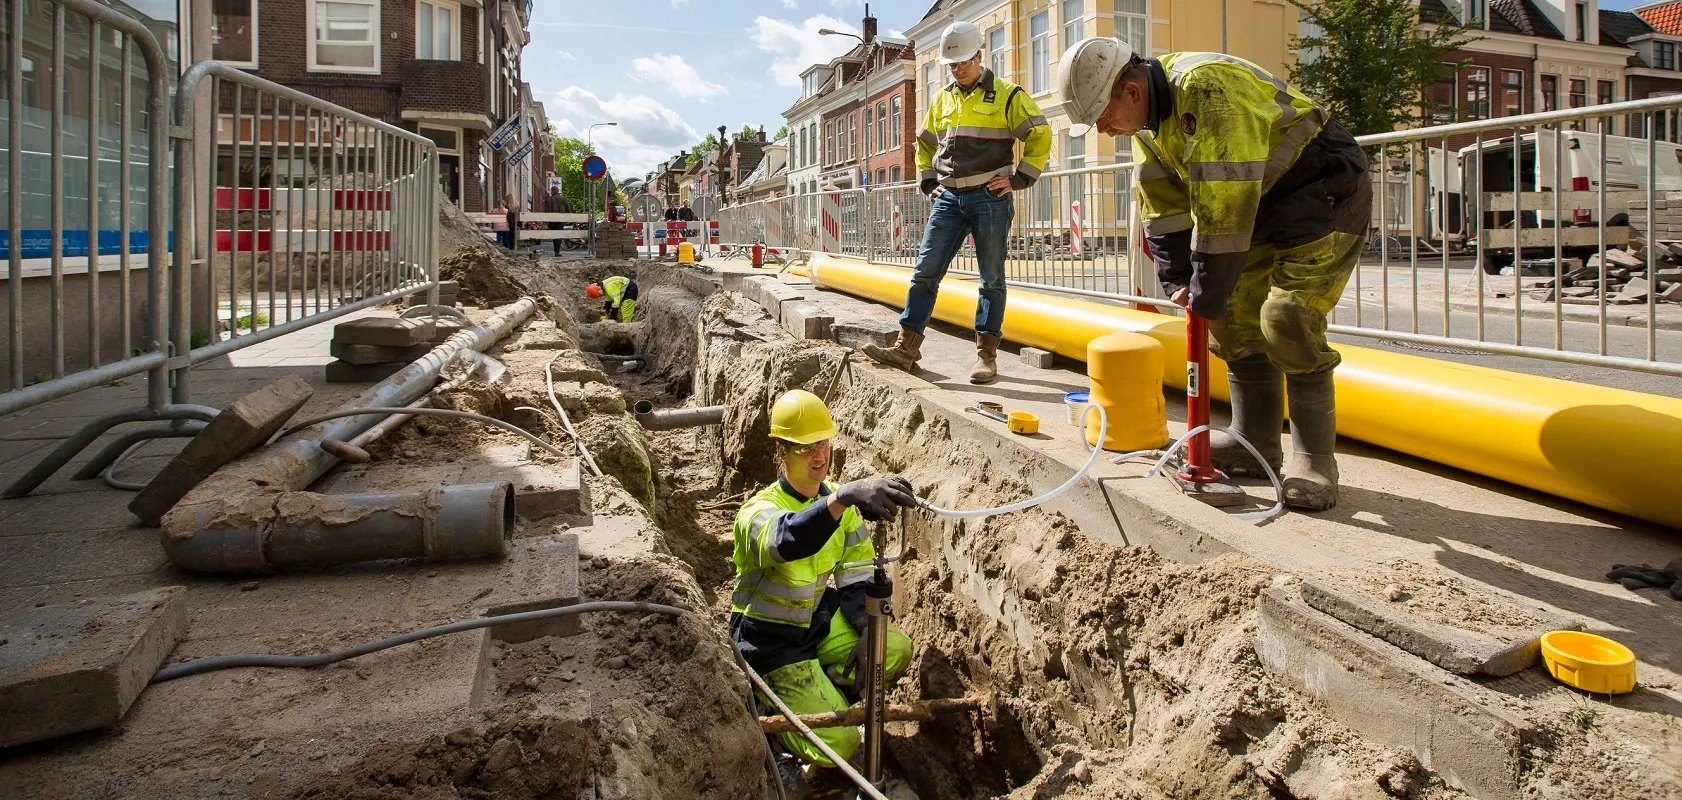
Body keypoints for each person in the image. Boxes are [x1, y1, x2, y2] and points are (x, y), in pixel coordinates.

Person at [1058, 38, 1372, 510]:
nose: (1104, 130)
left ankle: (1314, 461)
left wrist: (1206, 286)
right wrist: (1180, 281)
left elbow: (1224, 203)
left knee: (1287, 318)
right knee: (1228, 317)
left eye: (1102, 116)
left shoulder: (1204, 88)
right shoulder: (1149, 128)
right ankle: (1254, 442)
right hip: (1259, 205)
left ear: (1131, 91)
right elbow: (1161, 210)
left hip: (1322, 188)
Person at [730, 390, 918, 769]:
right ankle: (778, 713)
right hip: (768, 642)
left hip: (815, 622)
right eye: (804, 448)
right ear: (780, 451)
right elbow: (787, 540)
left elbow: (857, 575)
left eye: (823, 443)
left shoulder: (839, 507)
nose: (819, 456)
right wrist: (842, 498)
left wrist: (867, 626)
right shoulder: (759, 511)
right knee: (841, 746)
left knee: (892, 647)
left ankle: (825, 691)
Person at [863, 21, 1050, 385]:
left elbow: (1040, 134)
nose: (958, 68)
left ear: (980, 56)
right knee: (924, 272)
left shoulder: (1009, 95)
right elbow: (926, 144)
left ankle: (986, 357)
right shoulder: (943, 98)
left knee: (991, 279)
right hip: (949, 197)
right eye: (953, 64)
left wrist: (1019, 178)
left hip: (989, 198)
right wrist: (928, 179)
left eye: (964, 61)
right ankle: (906, 347)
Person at [544, 186, 573, 256]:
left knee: (554, 235)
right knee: (559, 235)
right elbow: (568, 208)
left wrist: (546, 221)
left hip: (551, 220)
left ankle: (555, 250)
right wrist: (570, 217)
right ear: (557, 191)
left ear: (552, 191)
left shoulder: (548, 199)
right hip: (560, 220)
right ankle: (557, 251)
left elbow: (545, 210)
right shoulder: (563, 198)